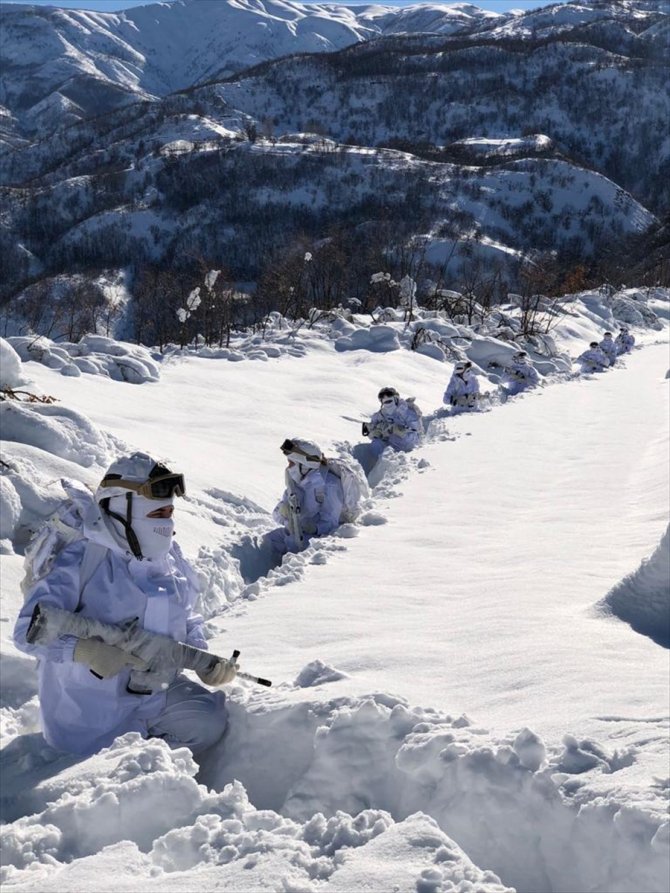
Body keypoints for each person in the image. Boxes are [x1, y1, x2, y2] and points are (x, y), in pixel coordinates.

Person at [13, 452, 235, 758]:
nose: (166, 523)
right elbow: (26, 630)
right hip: (89, 709)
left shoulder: (170, 557)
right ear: (121, 509)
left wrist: (202, 658)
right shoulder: (81, 558)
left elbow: (187, 616)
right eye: (157, 515)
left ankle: (162, 772)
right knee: (103, 771)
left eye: (169, 513)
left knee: (209, 723)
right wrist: (83, 651)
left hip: (155, 691)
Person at [270, 438, 344, 555]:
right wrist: (283, 511)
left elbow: (332, 524)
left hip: (317, 542)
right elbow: (276, 516)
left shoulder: (329, 485)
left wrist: (314, 528)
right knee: (267, 541)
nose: (288, 468)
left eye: (291, 463)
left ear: (304, 464)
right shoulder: (295, 483)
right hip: (293, 536)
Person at [362, 387, 423, 457]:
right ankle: (378, 465)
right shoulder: (381, 415)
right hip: (389, 445)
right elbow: (371, 429)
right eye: (385, 402)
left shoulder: (407, 413)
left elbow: (417, 432)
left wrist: (401, 432)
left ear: (396, 399)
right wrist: (374, 433)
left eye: (389, 401)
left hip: (407, 447)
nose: (388, 404)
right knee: (376, 443)